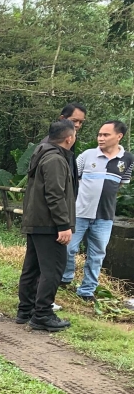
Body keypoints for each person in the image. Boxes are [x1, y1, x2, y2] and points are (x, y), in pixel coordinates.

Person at [61, 120, 131, 301]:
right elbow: (71, 180)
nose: (100, 138)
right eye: (99, 134)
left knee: (97, 254)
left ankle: (87, 290)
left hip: (105, 216)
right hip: (80, 213)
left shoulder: (127, 159)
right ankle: (65, 278)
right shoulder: (87, 155)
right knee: (69, 249)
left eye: (106, 135)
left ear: (119, 136)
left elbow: (121, 184)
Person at [16, 120, 76, 332]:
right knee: (53, 269)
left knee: (32, 267)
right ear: (69, 138)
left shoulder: (41, 152)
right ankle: (42, 313)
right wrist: (64, 224)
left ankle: (26, 309)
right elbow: (55, 194)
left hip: (36, 221)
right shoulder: (55, 159)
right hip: (48, 223)